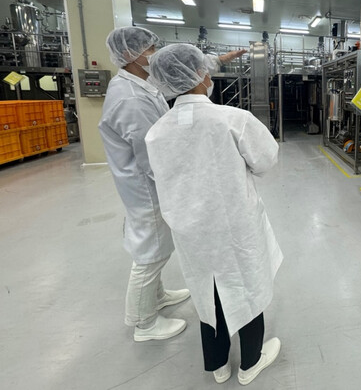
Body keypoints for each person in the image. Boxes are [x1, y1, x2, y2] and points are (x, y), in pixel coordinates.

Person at [144, 43, 283, 385]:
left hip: (190, 231)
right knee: (245, 285)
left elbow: (161, 178)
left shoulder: (156, 133)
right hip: (234, 225)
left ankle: (218, 365)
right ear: (200, 75)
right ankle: (251, 363)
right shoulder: (233, 119)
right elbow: (266, 161)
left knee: (206, 292)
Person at [99, 26, 245, 342]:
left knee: (159, 246)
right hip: (146, 187)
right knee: (150, 252)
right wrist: (186, 184)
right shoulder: (130, 99)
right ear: (129, 54)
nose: (155, 54)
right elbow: (150, 156)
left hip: (147, 183)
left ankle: (158, 295)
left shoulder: (141, 81)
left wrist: (222, 59)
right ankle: (144, 323)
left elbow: (182, 68)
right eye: (150, 49)